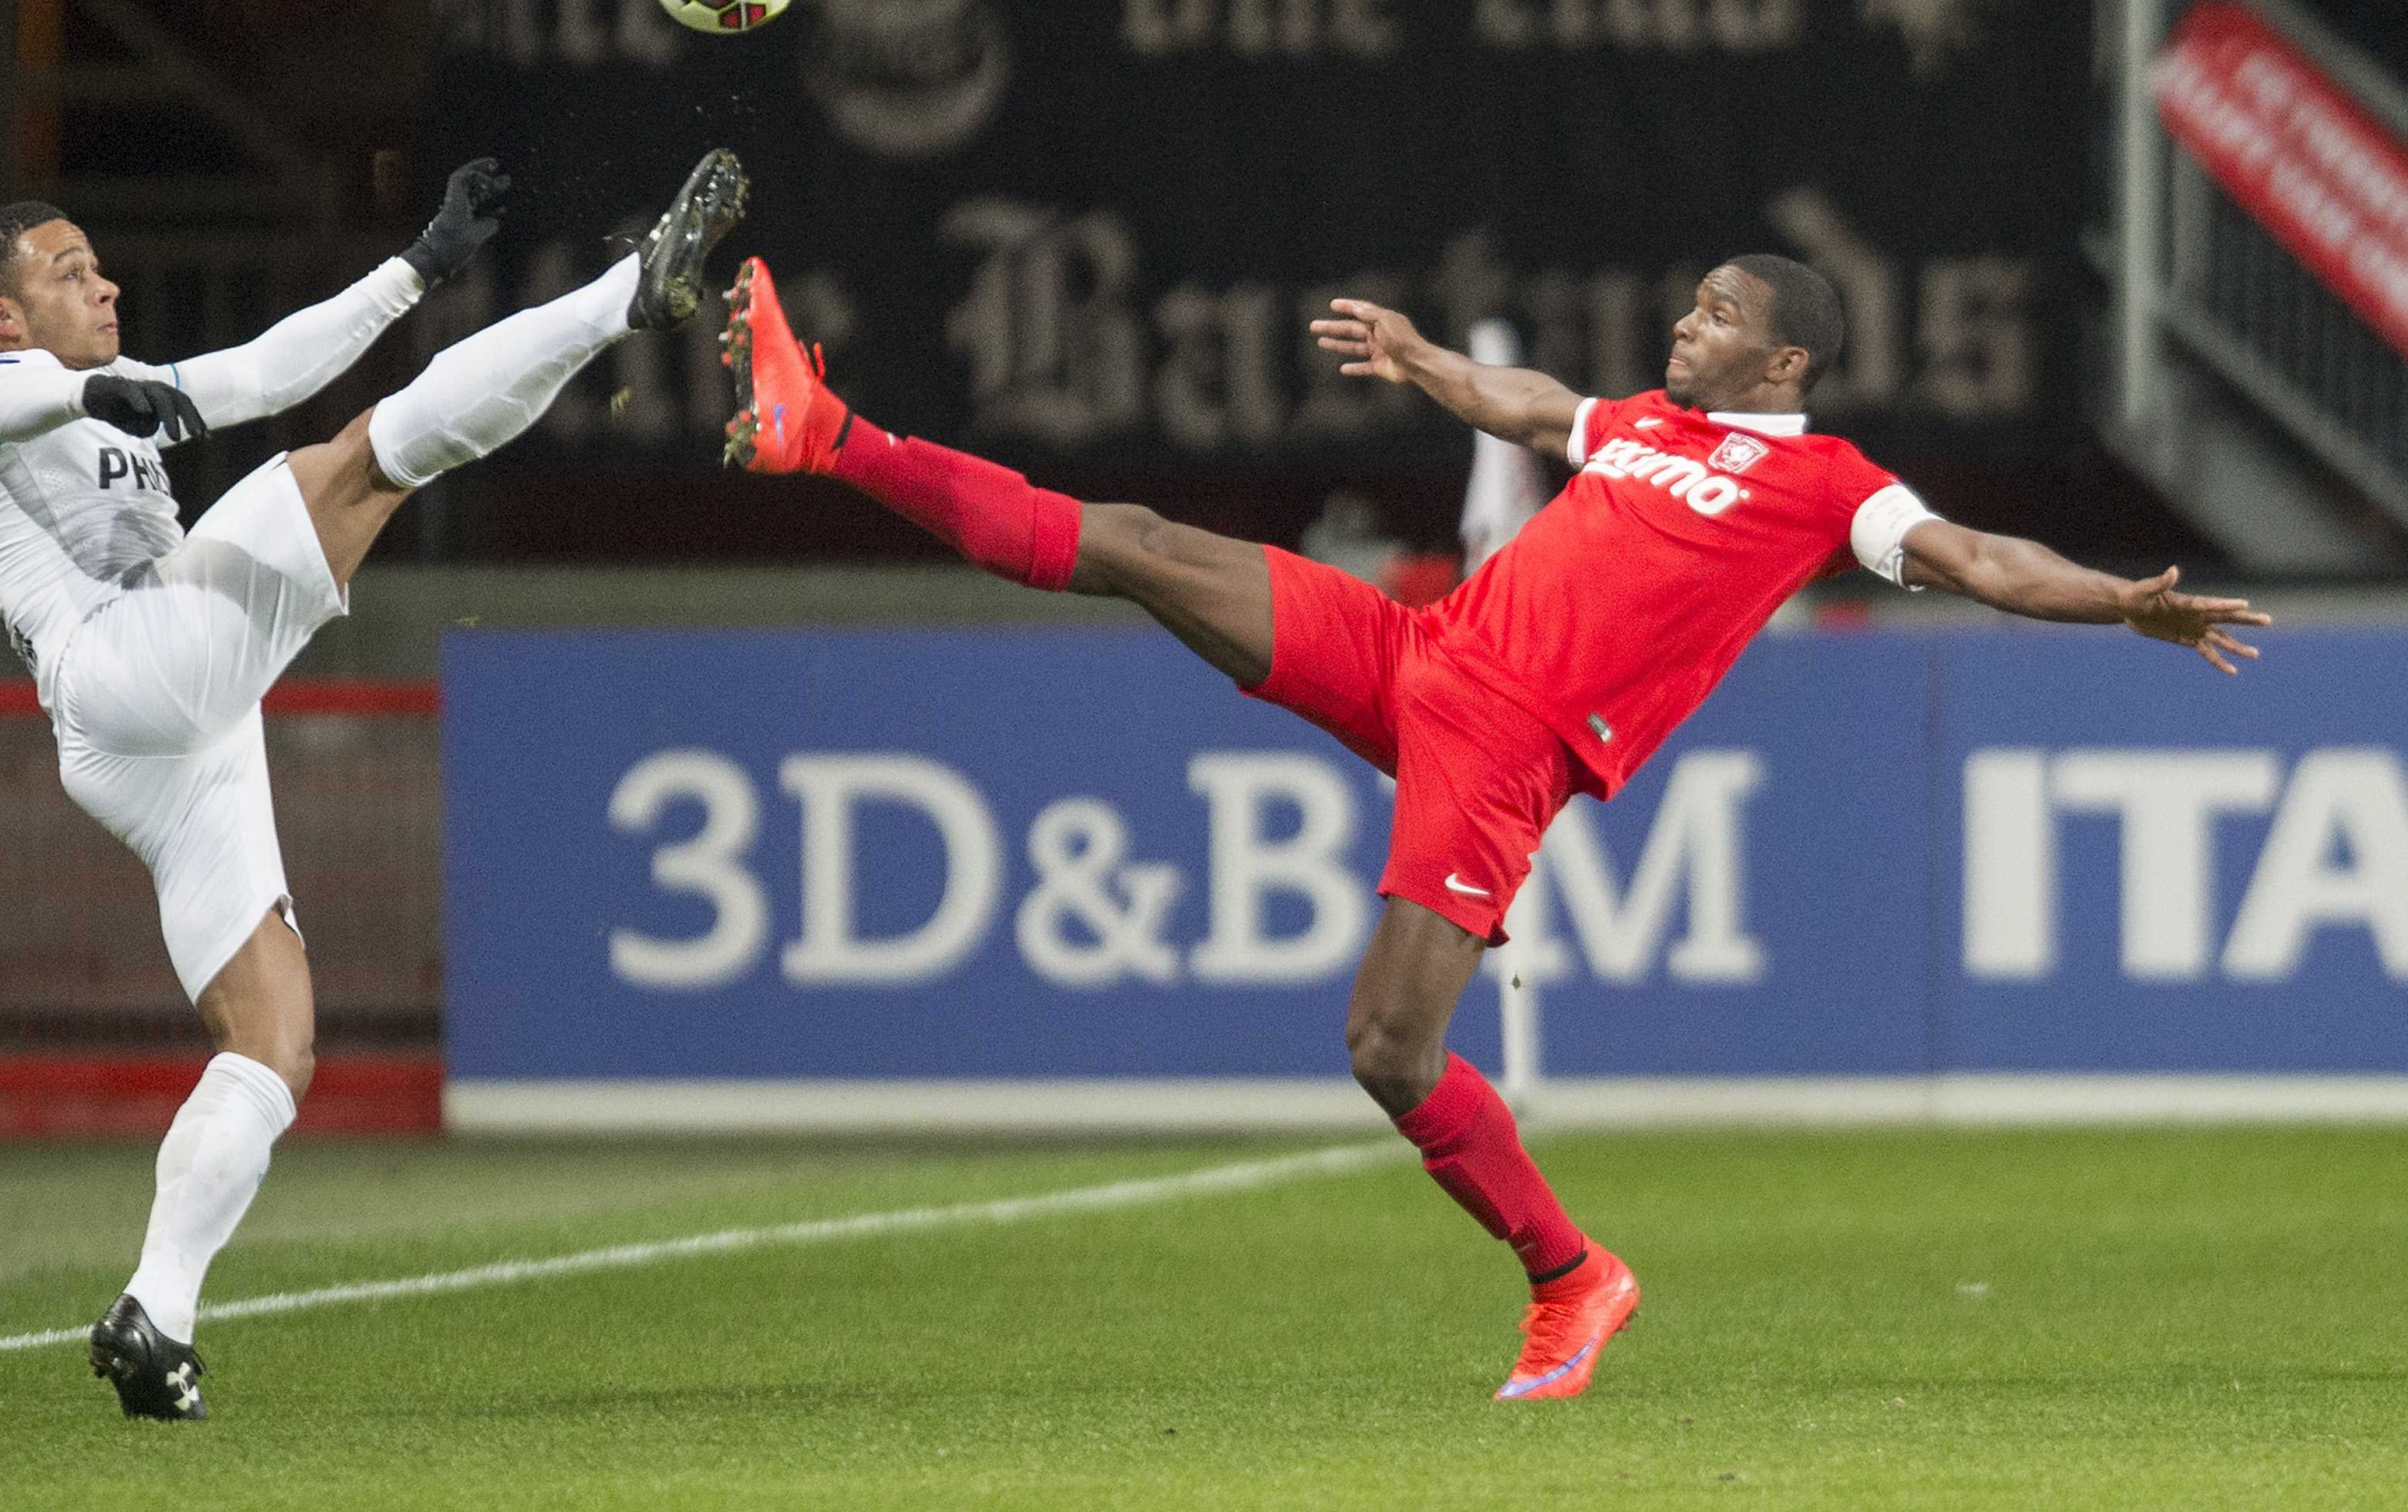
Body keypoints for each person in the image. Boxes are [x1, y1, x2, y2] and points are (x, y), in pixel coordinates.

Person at [717, 249, 2269, 1401]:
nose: (1689, 323)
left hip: (1509, 746)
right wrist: (1420, 354)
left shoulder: (1824, 485)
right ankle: (828, 430)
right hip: (1419, 656)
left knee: (1385, 1048)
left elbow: (1980, 555)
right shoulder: (1645, 423)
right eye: (1695, 304)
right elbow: (1529, 404)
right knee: (1135, 543)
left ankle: (1570, 1274)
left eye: (1721, 314)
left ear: (1787, 362)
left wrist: (2113, 603)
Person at [0, 149, 746, 1419]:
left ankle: (156, 1312)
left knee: (274, 1043)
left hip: (150, 736)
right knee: (376, 455)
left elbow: (251, 379)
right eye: (67, 271)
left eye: (100, 264)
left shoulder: (110, 383)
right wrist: (152, 395)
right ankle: (625, 296)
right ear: (4, 313)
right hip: (127, 663)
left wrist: (415, 268)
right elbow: (133, 398)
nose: (101, 285)